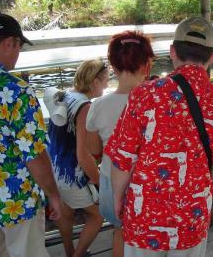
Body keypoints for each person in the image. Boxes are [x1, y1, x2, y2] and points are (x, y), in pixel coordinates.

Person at [104, 16, 213, 256]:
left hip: (144, 217)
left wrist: (118, 199)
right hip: (192, 219)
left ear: (172, 52)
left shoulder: (144, 95)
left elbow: (122, 159)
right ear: (212, 57)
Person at [0, 13, 62, 257]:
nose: (18, 55)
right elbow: (34, 154)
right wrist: (53, 194)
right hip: (16, 199)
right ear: (9, 43)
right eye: (19, 47)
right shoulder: (15, 90)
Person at [86, 31, 155, 257]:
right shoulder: (160, 103)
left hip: (110, 180)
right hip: (151, 184)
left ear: (113, 67)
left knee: (120, 232)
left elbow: (94, 150)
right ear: (147, 65)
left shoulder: (98, 106)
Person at [47, 59, 107, 257]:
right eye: (105, 80)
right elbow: (82, 155)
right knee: (98, 216)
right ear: (95, 81)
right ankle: (77, 255)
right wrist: (99, 182)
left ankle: (69, 250)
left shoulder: (66, 96)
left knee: (66, 213)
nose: (107, 85)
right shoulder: (85, 106)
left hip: (54, 169)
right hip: (71, 174)